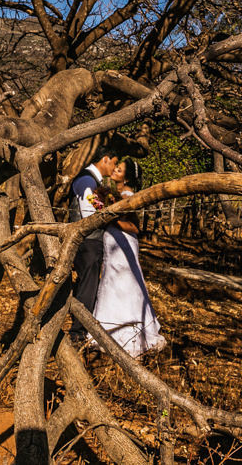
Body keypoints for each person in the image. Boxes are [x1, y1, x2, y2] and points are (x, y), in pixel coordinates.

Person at [91, 157, 166, 357]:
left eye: (120, 169)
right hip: (113, 242)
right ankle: (106, 329)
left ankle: (129, 333)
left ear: (127, 176)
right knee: (110, 281)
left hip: (122, 244)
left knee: (124, 282)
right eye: (116, 166)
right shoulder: (116, 193)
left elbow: (133, 226)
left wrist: (107, 215)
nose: (115, 169)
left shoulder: (128, 195)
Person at [68, 147, 121, 341]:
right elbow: (88, 211)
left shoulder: (92, 180)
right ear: (105, 159)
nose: (114, 167)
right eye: (114, 163)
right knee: (88, 285)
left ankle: (81, 326)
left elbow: (94, 204)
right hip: (88, 241)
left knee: (88, 283)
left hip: (91, 240)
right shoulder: (87, 180)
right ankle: (78, 331)